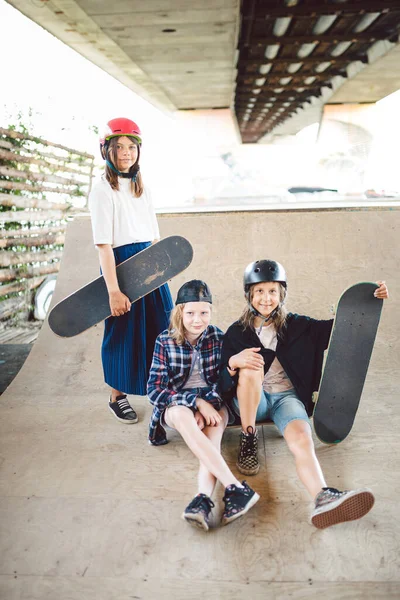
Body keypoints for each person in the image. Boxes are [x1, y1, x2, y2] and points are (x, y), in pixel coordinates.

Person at [219, 260, 389, 529]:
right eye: (260, 291)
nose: (266, 298)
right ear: (250, 295)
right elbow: (218, 379)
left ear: (281, 294)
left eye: (273, 291)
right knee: (251, 367)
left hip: (286, 399)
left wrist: (367, 301)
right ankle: (248, 438)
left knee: (301, 437)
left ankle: (322, 495)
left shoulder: (299, 326)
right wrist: (233, 363)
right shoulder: (236, 333)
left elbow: (342, 329)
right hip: (254, 403)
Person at [147, 280, 259, 531]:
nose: (197, 320)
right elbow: (154, 391)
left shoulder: (218, 337)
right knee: (181, 415)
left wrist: (207, 403)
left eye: (204, 313)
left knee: (212, 440)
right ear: (179, 312)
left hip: (214, 402)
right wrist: (195, 402)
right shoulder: (164, 341)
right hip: (178, 404)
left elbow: (224, 383)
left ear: (210, 312)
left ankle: (203, 500)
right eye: (190, 313)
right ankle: (235, 487)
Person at [89, 117, 173, 424]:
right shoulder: (102, 191)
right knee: (124, 333)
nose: (126, 153)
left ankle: (162, 392)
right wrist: (113, 290)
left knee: (163, 329)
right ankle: (117, 396)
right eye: (119, 147)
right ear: (107, 151)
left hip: (149, 264)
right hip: (121, 265)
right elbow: (103, 246)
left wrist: (161, 273)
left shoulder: (142, 189)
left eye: (131, 147)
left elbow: (154, 238)